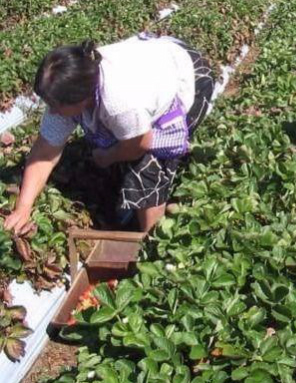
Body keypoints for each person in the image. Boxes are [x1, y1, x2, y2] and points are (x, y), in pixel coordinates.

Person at [4, 34, 214, 234]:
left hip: (187, 74)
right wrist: (23, 208)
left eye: (56, 106)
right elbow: (43, 154)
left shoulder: (120, 104)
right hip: (154, 67)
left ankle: (153, 242)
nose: (52, 111)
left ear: (82, 100)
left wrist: (108, 157)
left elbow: (138, 145)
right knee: (114, 144)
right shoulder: (68, 88)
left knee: (148, 167)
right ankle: (126, 206)